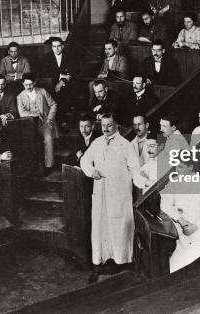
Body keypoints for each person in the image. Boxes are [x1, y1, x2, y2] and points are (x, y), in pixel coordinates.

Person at [81, 113, 139, 283]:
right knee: (100, 228)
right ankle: (98, 264)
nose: (105, 129)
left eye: (109, 125)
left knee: (119, 228)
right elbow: (85, 160)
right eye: (103, 125)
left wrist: (123, 179)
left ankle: (121, 264)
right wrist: (92, 172)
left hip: (119, 194)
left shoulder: (125, 145)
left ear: (117, 126)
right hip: (100, 193)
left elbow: (135, 169)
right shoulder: (97, 143)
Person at [161, 158, 200, 272]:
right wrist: (181, 220)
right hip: (183, 232)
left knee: (192, 263)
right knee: (173, 266)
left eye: (181, 167)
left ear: (190, 167)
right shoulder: (174, 182)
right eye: (176, 167)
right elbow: (164, 204)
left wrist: (195, 227)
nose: (177, 171)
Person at [17, 73, 58, 171]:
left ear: (34, 82)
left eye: (31, 84)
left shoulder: (42, 91)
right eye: (26, 85)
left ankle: (48, 166)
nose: (29, 87)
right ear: (23, 84)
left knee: (48, 138)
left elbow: (53, 105)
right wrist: (35, 114)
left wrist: (49, 119)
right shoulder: (20, 97)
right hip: (29, 126)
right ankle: (33, 168)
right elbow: (22, 113)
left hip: (44, 123)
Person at [40, 37, 77, 113]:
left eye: (59, 46)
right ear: (52, 47)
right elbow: (45, 72)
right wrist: (60, 76)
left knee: (66, 90)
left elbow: (71, 73)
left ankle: (66, 115)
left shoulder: (69, 56)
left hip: (66, 82)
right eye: (54, 46)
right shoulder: (47, 57)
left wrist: (60, 82)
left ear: (62, 46)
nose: (57, 48)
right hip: (52, 82)